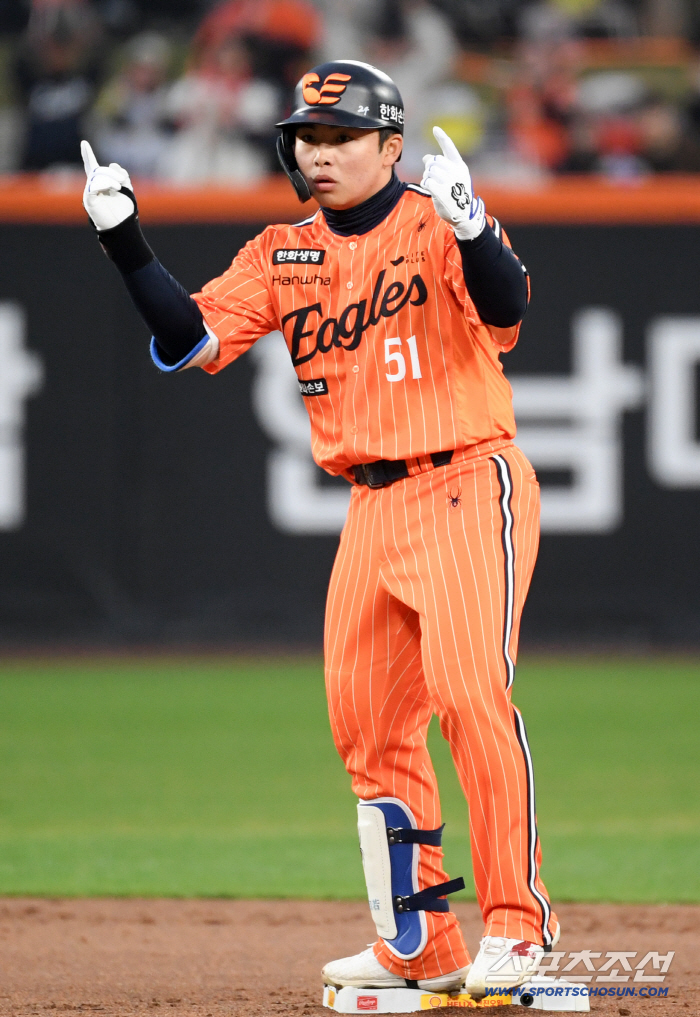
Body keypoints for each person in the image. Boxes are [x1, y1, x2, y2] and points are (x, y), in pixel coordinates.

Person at [80, 59, 559, 1000]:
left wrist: (472, 225)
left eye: (343, 137)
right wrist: (124, 239)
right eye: (307, 137)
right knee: (369, 731)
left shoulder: (437, 219)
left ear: (391, 146)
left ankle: (518, 925)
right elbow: (191, 340)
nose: (320, 153)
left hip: (467, 478)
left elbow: (507, 308)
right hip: (371, 502)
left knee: (470, 697)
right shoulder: (280, 252)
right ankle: (420, 943)